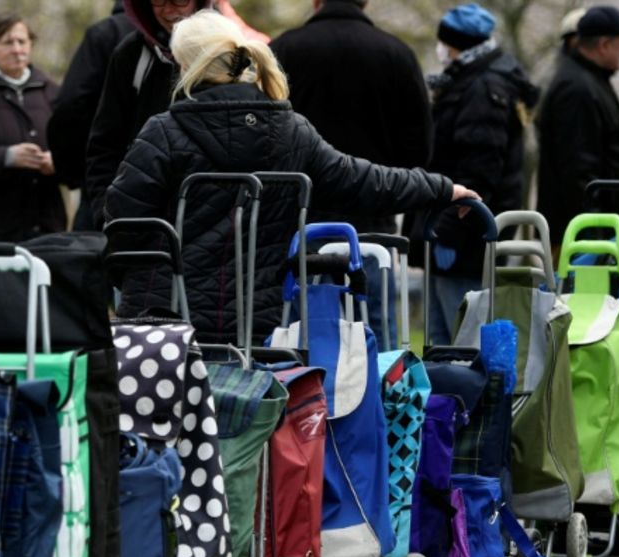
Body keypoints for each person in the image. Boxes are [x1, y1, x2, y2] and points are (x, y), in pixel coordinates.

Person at [104, 10, 478, 345]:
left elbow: (122, 219)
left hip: (169, 321)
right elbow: (362, 180)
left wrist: (133, 282)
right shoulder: (289, 129)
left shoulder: (164, 132)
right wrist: (444, 189)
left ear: (186, 65)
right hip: (266, 321)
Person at [272, 0, 434, 345]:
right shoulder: (397, 54)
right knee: (375, 325)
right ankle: (379, 395)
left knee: (304, 328)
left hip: (303, 216)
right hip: (373, 216)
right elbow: (419, 147)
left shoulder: (285, 50)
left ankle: (306, 395)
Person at [419, 3, 538, 346]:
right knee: (442, 340)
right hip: (455, 228)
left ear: (457, 45)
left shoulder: (481, 89)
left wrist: (449, 233)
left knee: (460, 337)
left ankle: (463, 400)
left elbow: (479, 174)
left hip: (464, 234)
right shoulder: (472, 81)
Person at [82, 0, 214, 229]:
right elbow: (104, 145)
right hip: (141, 220)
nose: (169, 10)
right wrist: (107, 215)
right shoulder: (131, 55)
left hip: (212, 219)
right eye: (158, 1)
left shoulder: (226, 52)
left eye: (180, 0)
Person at [535, 5, 619, 245]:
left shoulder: (588, 81)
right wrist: (596, 236)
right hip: (585, 238)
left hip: (592, 232)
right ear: (604, 45)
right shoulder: (577, 89)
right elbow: (578, 172)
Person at [0, 13, 65, 241]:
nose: (17, 49)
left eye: (22, 41)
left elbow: (76, 148)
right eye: (8, 42)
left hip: (48, 223)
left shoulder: (52, 91)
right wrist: (6, 157)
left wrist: (58, 160)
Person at [49, 1, 133, 228]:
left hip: (106, 176)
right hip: (181, 184)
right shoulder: (207, 34)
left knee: (90, 257)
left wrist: (71, 172)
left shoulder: (105, 33)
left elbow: (70, 105)